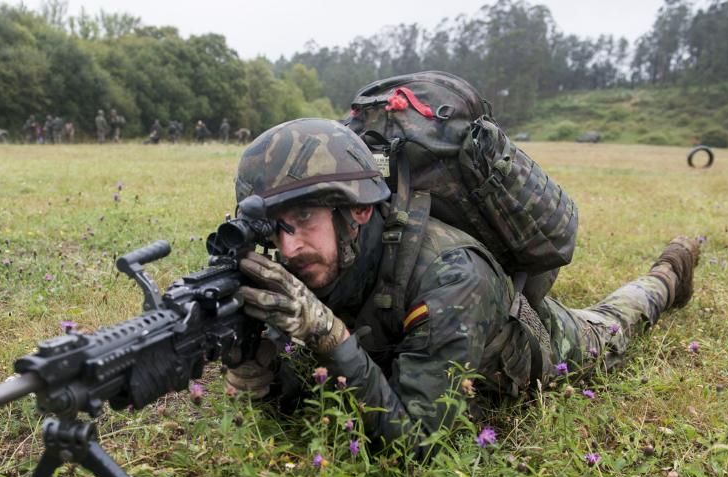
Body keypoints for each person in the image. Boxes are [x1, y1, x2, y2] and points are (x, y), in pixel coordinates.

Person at [225, 118, 701, 459]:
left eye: (304, 219)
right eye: (276, 229)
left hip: (532, 344)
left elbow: (417, 440)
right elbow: (325, 387)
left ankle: (665, 277)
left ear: (359, 210)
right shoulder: (328, 256)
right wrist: (269, 378)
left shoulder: (451, 276)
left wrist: (331, 338)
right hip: (410, 344)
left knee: (612, 325)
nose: (288, 249)